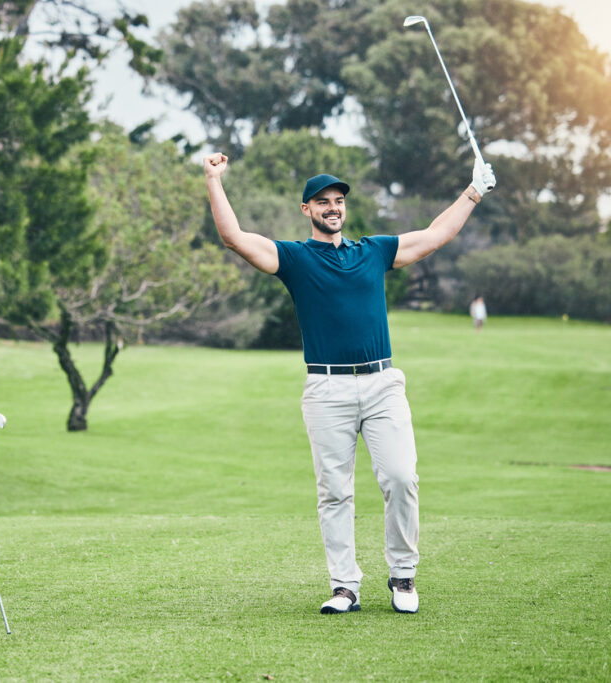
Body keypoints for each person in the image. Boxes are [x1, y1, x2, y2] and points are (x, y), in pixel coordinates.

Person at [204, 154, 496, 615]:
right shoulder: (295, 258)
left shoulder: (373, 251)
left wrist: (473, 191)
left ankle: (403, 575)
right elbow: (233, 238)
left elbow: (435, 235)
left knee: (401, 478)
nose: (332, 207)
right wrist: (213, 180)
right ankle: (345, 586)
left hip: (382, 384)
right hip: (326, 390)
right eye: (323, 202)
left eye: (338, 200)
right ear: (307, 210)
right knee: (334, 491)